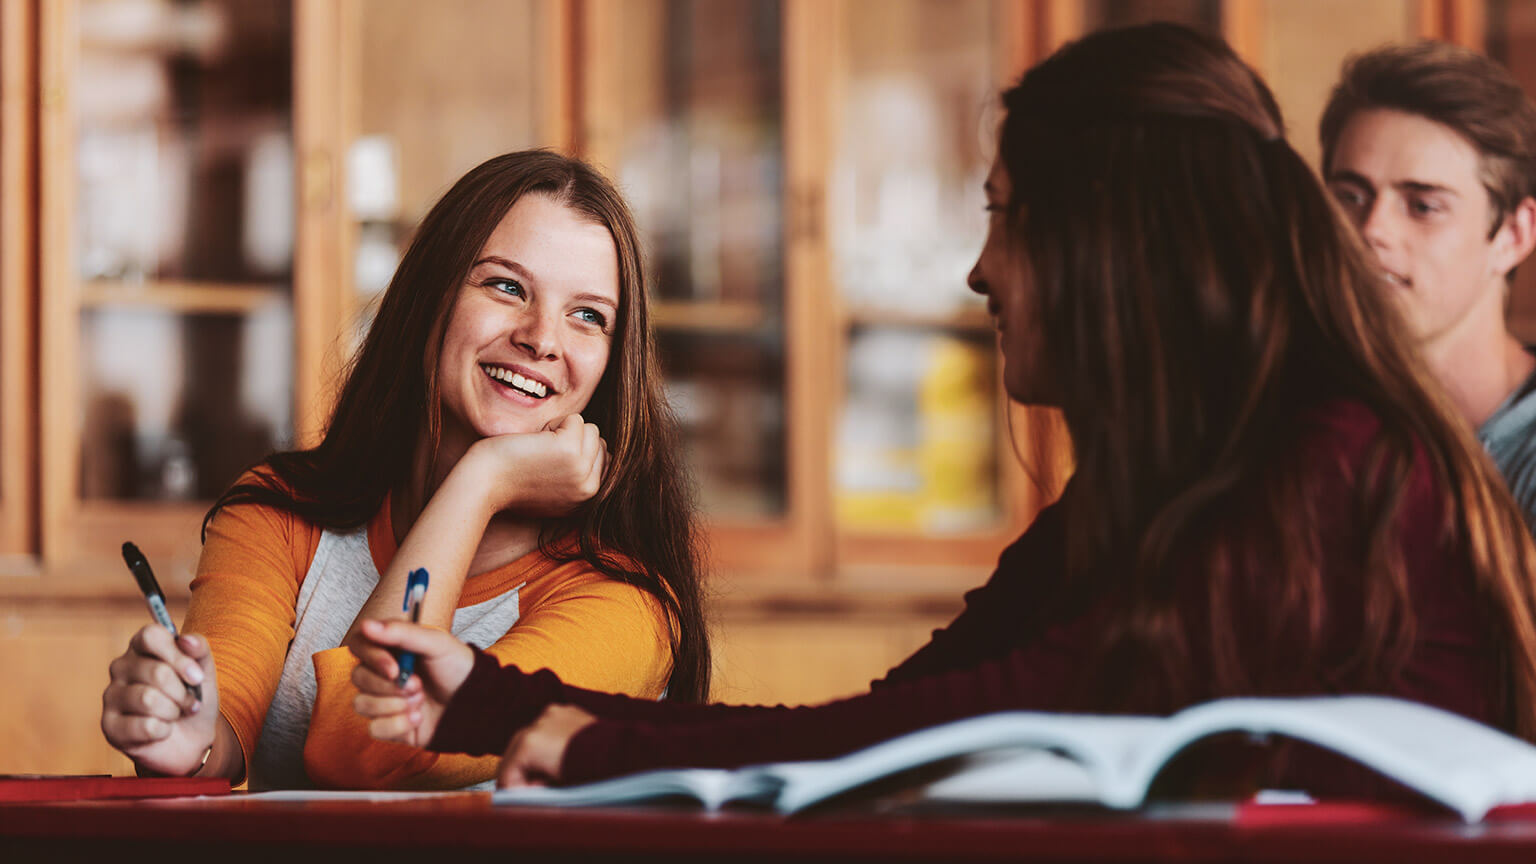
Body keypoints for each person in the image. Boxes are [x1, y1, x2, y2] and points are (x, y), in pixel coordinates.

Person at [349, 24, 1536, 794]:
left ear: (1104, 250)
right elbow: (893, 719)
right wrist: (505, 699)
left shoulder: (1325, 461)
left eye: (1005, 216)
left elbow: (963, 730)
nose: (980, 273)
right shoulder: (1152, 499)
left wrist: (593, 740)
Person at [98, 150, 710, 790]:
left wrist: (482, 481)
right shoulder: (277, 516)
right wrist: (184, 740)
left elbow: (366, 749)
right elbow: (221, 739)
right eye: (506, 286)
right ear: (429, 298)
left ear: (613, 363)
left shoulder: (625, 604)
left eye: (588, 315)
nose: (542, 338)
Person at [1320, 42, 1536, 527]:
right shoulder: (1305, 425)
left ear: (1512, 236)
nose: (1372, 229)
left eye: (1423, 206)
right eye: (1350, 196)